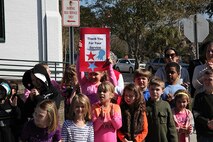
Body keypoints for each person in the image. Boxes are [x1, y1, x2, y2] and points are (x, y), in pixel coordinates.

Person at [146, 77, 178, 142]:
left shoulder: (166, 105)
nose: (154, 92)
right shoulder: (144, 106)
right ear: (148, 89)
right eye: (152, 89)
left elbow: (171, 126)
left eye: (157, 89)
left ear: (162, 91)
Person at [193, 69, 213, 142]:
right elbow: (195, 113)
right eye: (205, 79)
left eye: (210, 79)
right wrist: (207, 122)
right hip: (203, 135)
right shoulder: (199, 97)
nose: (207, 82)